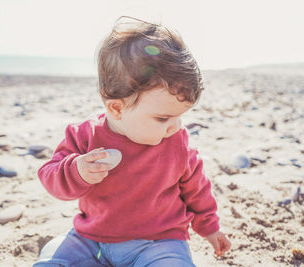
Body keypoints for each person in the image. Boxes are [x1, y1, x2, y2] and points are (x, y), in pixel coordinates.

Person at [34, 16, 231, 267]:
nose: (175, 126)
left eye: (180, 116)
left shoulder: (177, 142)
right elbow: (50, 176)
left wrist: (210, 228)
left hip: (158, 242)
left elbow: (197, 189)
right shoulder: (85, 135)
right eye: (163, 118)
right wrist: (78, 170)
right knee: (54, 258)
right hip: (92, 240)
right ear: (117, 109)